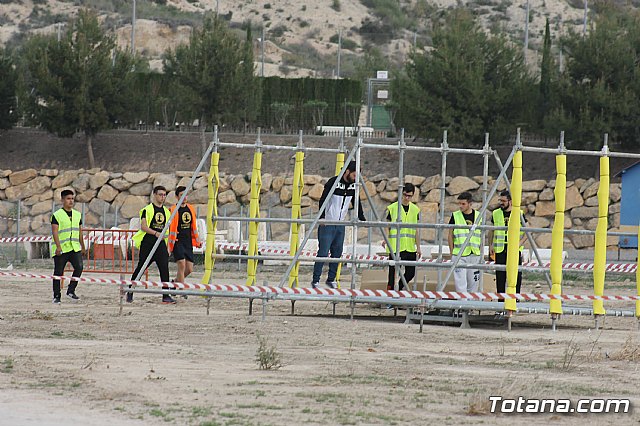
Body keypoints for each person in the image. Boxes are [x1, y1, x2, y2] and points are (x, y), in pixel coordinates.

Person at [312, 160, 366, 289]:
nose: (355, 178)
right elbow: (323, 199)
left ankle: (331, 279)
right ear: (347, 172)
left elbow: (356, 201)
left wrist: (362, 218)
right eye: (354, 175)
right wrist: (322, 217)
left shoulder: (354, 186)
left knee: (337, 253)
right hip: (328, 223)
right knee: (323, 252)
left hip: (340, 224)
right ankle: (315, 280)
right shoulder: (333, 182)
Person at [128, 185, 174, 304]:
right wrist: (155, 233)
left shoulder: (166, 212)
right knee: (141, 268)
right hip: (148, 242)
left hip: (161, 244)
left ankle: (165, 295)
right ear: (154, 195)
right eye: (160, 194)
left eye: (164, 195)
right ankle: (130, 291)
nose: (162, 197)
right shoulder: (147, 210)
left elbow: (167, 230)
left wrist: (167, 246)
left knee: (164, 269)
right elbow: (143, 226)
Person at [382, 183, 421, 291]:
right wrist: (386, 238)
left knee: (411, 272)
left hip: (409, 247)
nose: (407, 198)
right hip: (395, 246)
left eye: (409, 196)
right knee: (392, 274)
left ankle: (398, 288)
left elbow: (416, 230)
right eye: (405, 195)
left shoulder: (415, 209)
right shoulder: (393, 208)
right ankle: (390, 296)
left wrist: (418, 247)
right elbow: (387, 225)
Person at [50, 189, 86, 304]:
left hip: (74, 247)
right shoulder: (57, 215)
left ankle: (71, 290)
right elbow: (55, 232)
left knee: (79, 267)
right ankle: (56, 295)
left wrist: (83, 246)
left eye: (72, 199)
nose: (71, 201)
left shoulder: (77, 214)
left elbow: (80, 232)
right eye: (68, 199)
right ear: (62, 200)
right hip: (62, 248)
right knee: (58, 272)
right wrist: (58, 247)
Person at [488, 190, 526, 296]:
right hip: (500, 249)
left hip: (514, 250)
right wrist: (490, 245)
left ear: (510, 201)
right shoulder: (496, 213)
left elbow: (528, 230)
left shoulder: (519, 213)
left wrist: (520, 242)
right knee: (500, 276)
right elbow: (491, 230)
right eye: (500, 200)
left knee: (516, 275)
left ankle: (515, 298)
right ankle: (501, 300)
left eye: (503, 201)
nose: (501, 203)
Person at [168, 186, 202, 296]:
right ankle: (182, 290)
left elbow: (193, 226)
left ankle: (175, 283)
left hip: (188, 241)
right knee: (181, 265)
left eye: (186, 195)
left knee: (189, 269)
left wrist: (197, 240)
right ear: (177, 196)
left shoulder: (191, 208)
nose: (184, 197)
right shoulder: (173, 209)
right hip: (177, 241)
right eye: (182, 195)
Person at [448, 192, 482, 293]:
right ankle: (462, 305)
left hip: (474, 253)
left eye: (463, 204)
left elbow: (482, 234)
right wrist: (451, 252)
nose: (460, 206)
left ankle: (470, 306)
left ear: (470, 204)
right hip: (459, 254)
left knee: (473, 283)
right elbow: (450, 234)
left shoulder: (478, 216)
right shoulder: (455, 216)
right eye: (459, 204)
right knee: (461, 284)